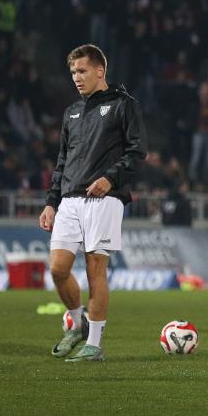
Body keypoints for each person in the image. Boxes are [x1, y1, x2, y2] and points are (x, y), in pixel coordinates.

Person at [39, 44, 147, 362]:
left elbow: (137, 151)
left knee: (94, 271)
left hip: (105, 199)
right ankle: (78, 319)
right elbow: (62, 160)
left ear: (100, 71)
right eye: (73, 72)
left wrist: (111, 178)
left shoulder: (123, 105)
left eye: (82, 71)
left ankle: (94, 345)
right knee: (58, 269)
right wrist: (50, 202)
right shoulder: (72, 112)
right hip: (70, 200)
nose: (76, 77)